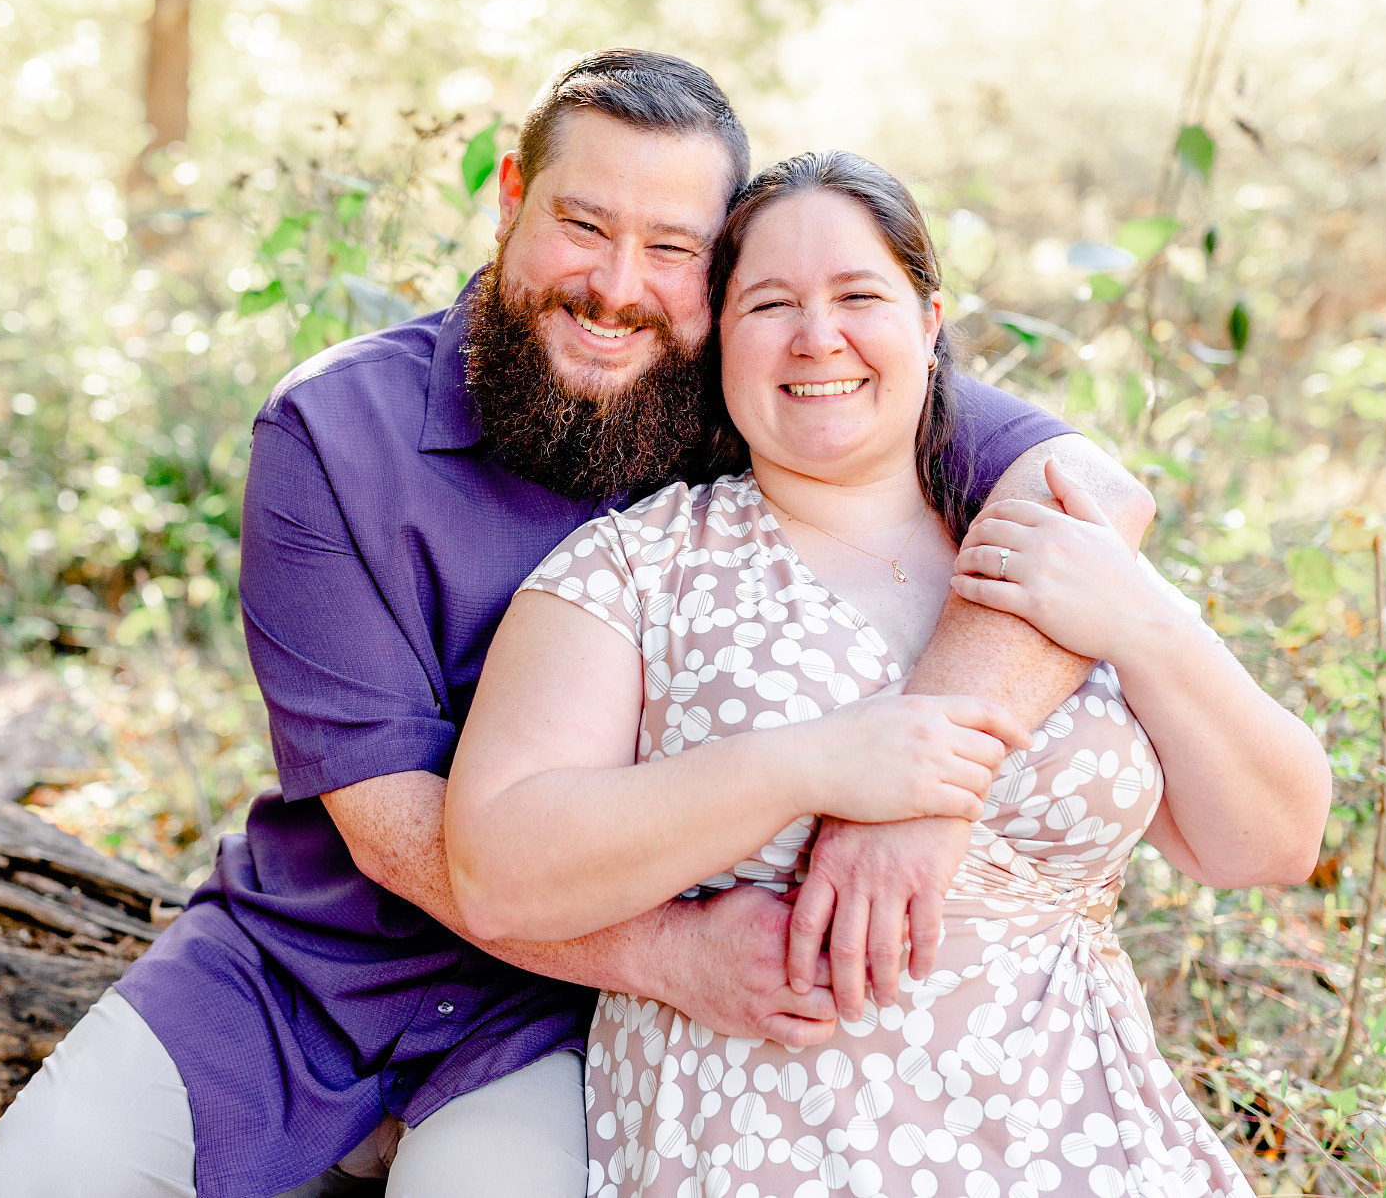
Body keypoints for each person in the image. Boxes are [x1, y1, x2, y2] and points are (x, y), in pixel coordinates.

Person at [0, 53, 1156, 1198]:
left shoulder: (762, 390)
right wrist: (666, 956)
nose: (618, 287)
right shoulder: (331, 432)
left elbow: (1086, 495)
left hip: (550, 1025)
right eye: (583, 225)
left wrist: (915, 788)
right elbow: (387, 827)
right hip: (303, 968)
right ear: (510, 200)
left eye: (671, 248)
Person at [444, 150, 1330, 1198]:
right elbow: (496, 870)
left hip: (1084, 1138)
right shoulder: (636, 568)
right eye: (769, 303)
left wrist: (1138, 618)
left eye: (858, 296)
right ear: (715, 341)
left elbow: (1271, 842)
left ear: (929, 320)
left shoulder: (1047, 544)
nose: (817, 338)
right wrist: (815, 767)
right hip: (774, 1144)